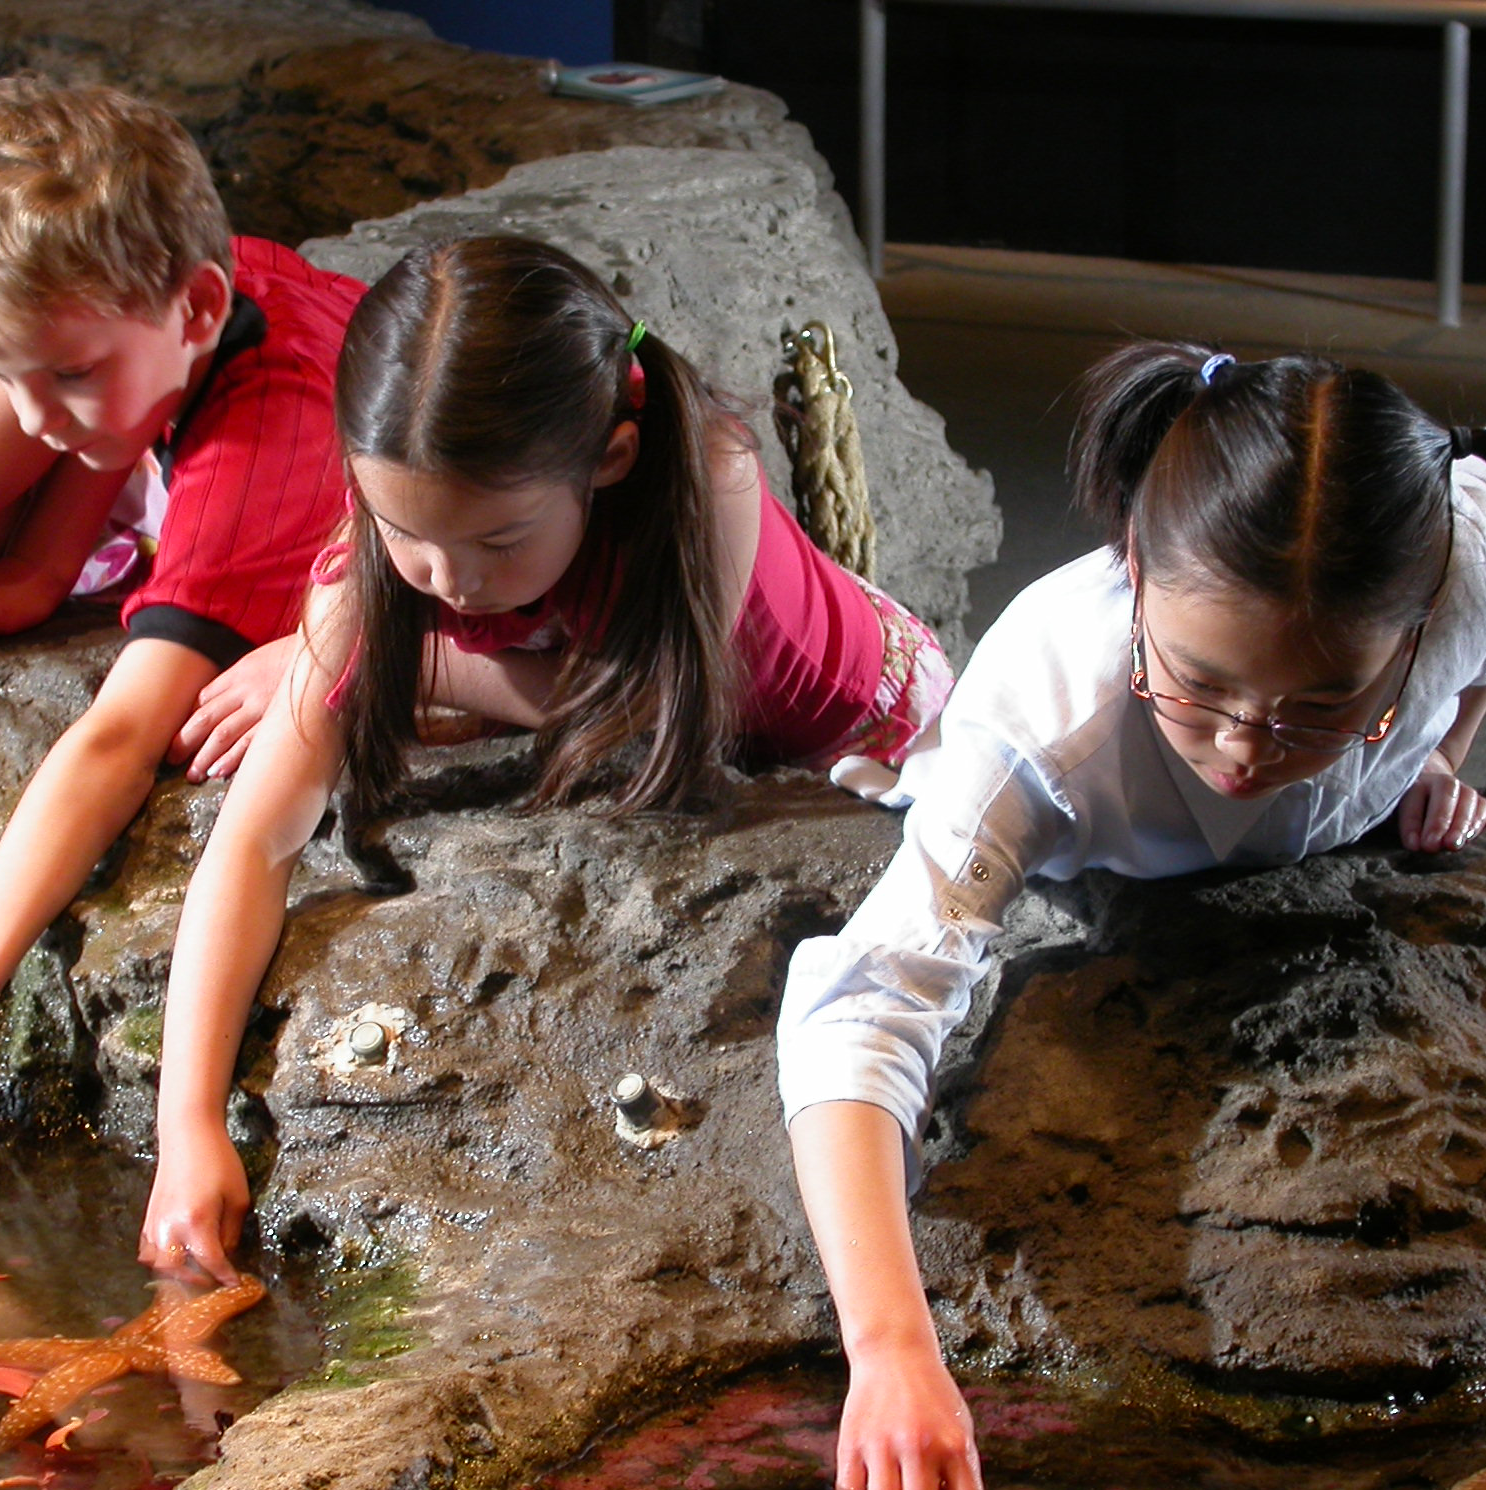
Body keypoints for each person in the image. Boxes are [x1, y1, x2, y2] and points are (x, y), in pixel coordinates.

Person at [775, 342, 1486, 1490]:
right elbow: (862, 1010)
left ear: (1410, 626)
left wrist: (1440, 750)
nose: (1244, 744)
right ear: (1134, 572)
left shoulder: (1464, 564)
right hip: (1107, 860)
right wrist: (889, 1349)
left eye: (1318, 706)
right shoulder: (1043, 720)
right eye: (1200, 683)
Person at [137, 234, 952, 1283]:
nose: (448, 578)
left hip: (875, 724)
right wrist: (188, 1125)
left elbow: (661, 720)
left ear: (606, 460)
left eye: (501, 541)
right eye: (405, 535)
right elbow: (251, 842)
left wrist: (415, 668)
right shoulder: (382, 570)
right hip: (640, 689)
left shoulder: (709, 470)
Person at [0, 77, 366, 1162]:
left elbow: (124, 737)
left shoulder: (260, 458)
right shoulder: (178, 312)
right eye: (0, 378)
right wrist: (43, 564)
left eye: (65, 375)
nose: (32, 418)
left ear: (199, 308)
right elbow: (133, 405)